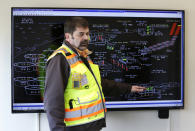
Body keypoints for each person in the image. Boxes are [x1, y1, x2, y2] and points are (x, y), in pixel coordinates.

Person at [44, 17, 146, 131]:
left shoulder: (83, 56)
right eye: (81, 34)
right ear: (68, 37)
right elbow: (52, 100)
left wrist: (128, 88)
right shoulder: (60, 59)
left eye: (87, 34)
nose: (86, 38)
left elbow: (97, 83)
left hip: (91, 126)